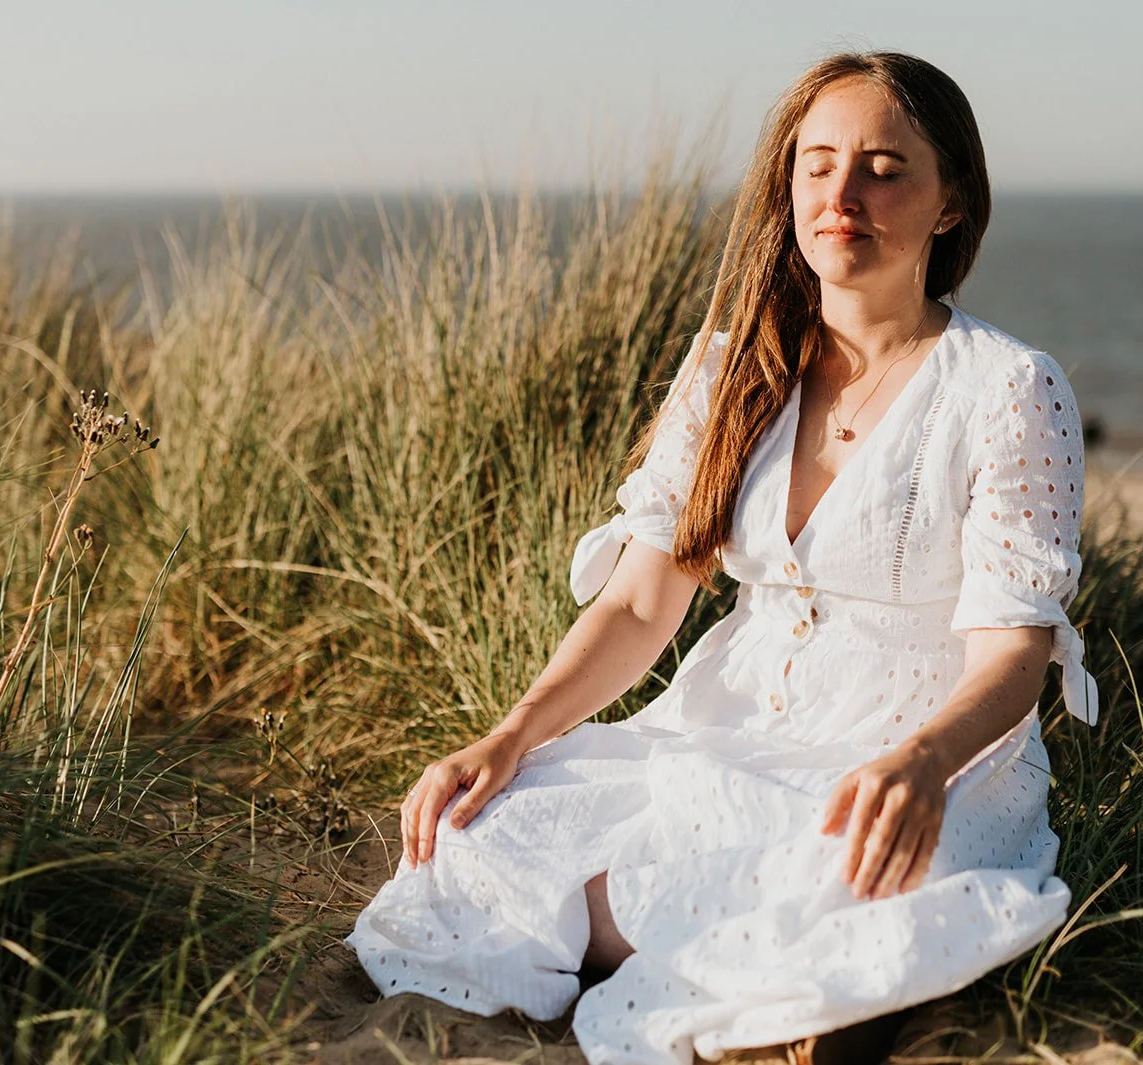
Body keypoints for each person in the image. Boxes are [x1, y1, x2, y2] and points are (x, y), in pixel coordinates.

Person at [346, 49, 1100, 1065]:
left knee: (858, 873)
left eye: (886, 167)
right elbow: (637, 606)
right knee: (480, 831)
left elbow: (1011, 656)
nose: (844, 193)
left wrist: (922, 764)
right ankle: (754, 983)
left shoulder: (1010, 388)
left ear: (950, 201)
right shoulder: (728, 366)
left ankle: (779, 989)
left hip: (917, 744)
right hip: (731, 723)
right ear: (786, 186)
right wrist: (512, 734)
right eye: (818, 164)